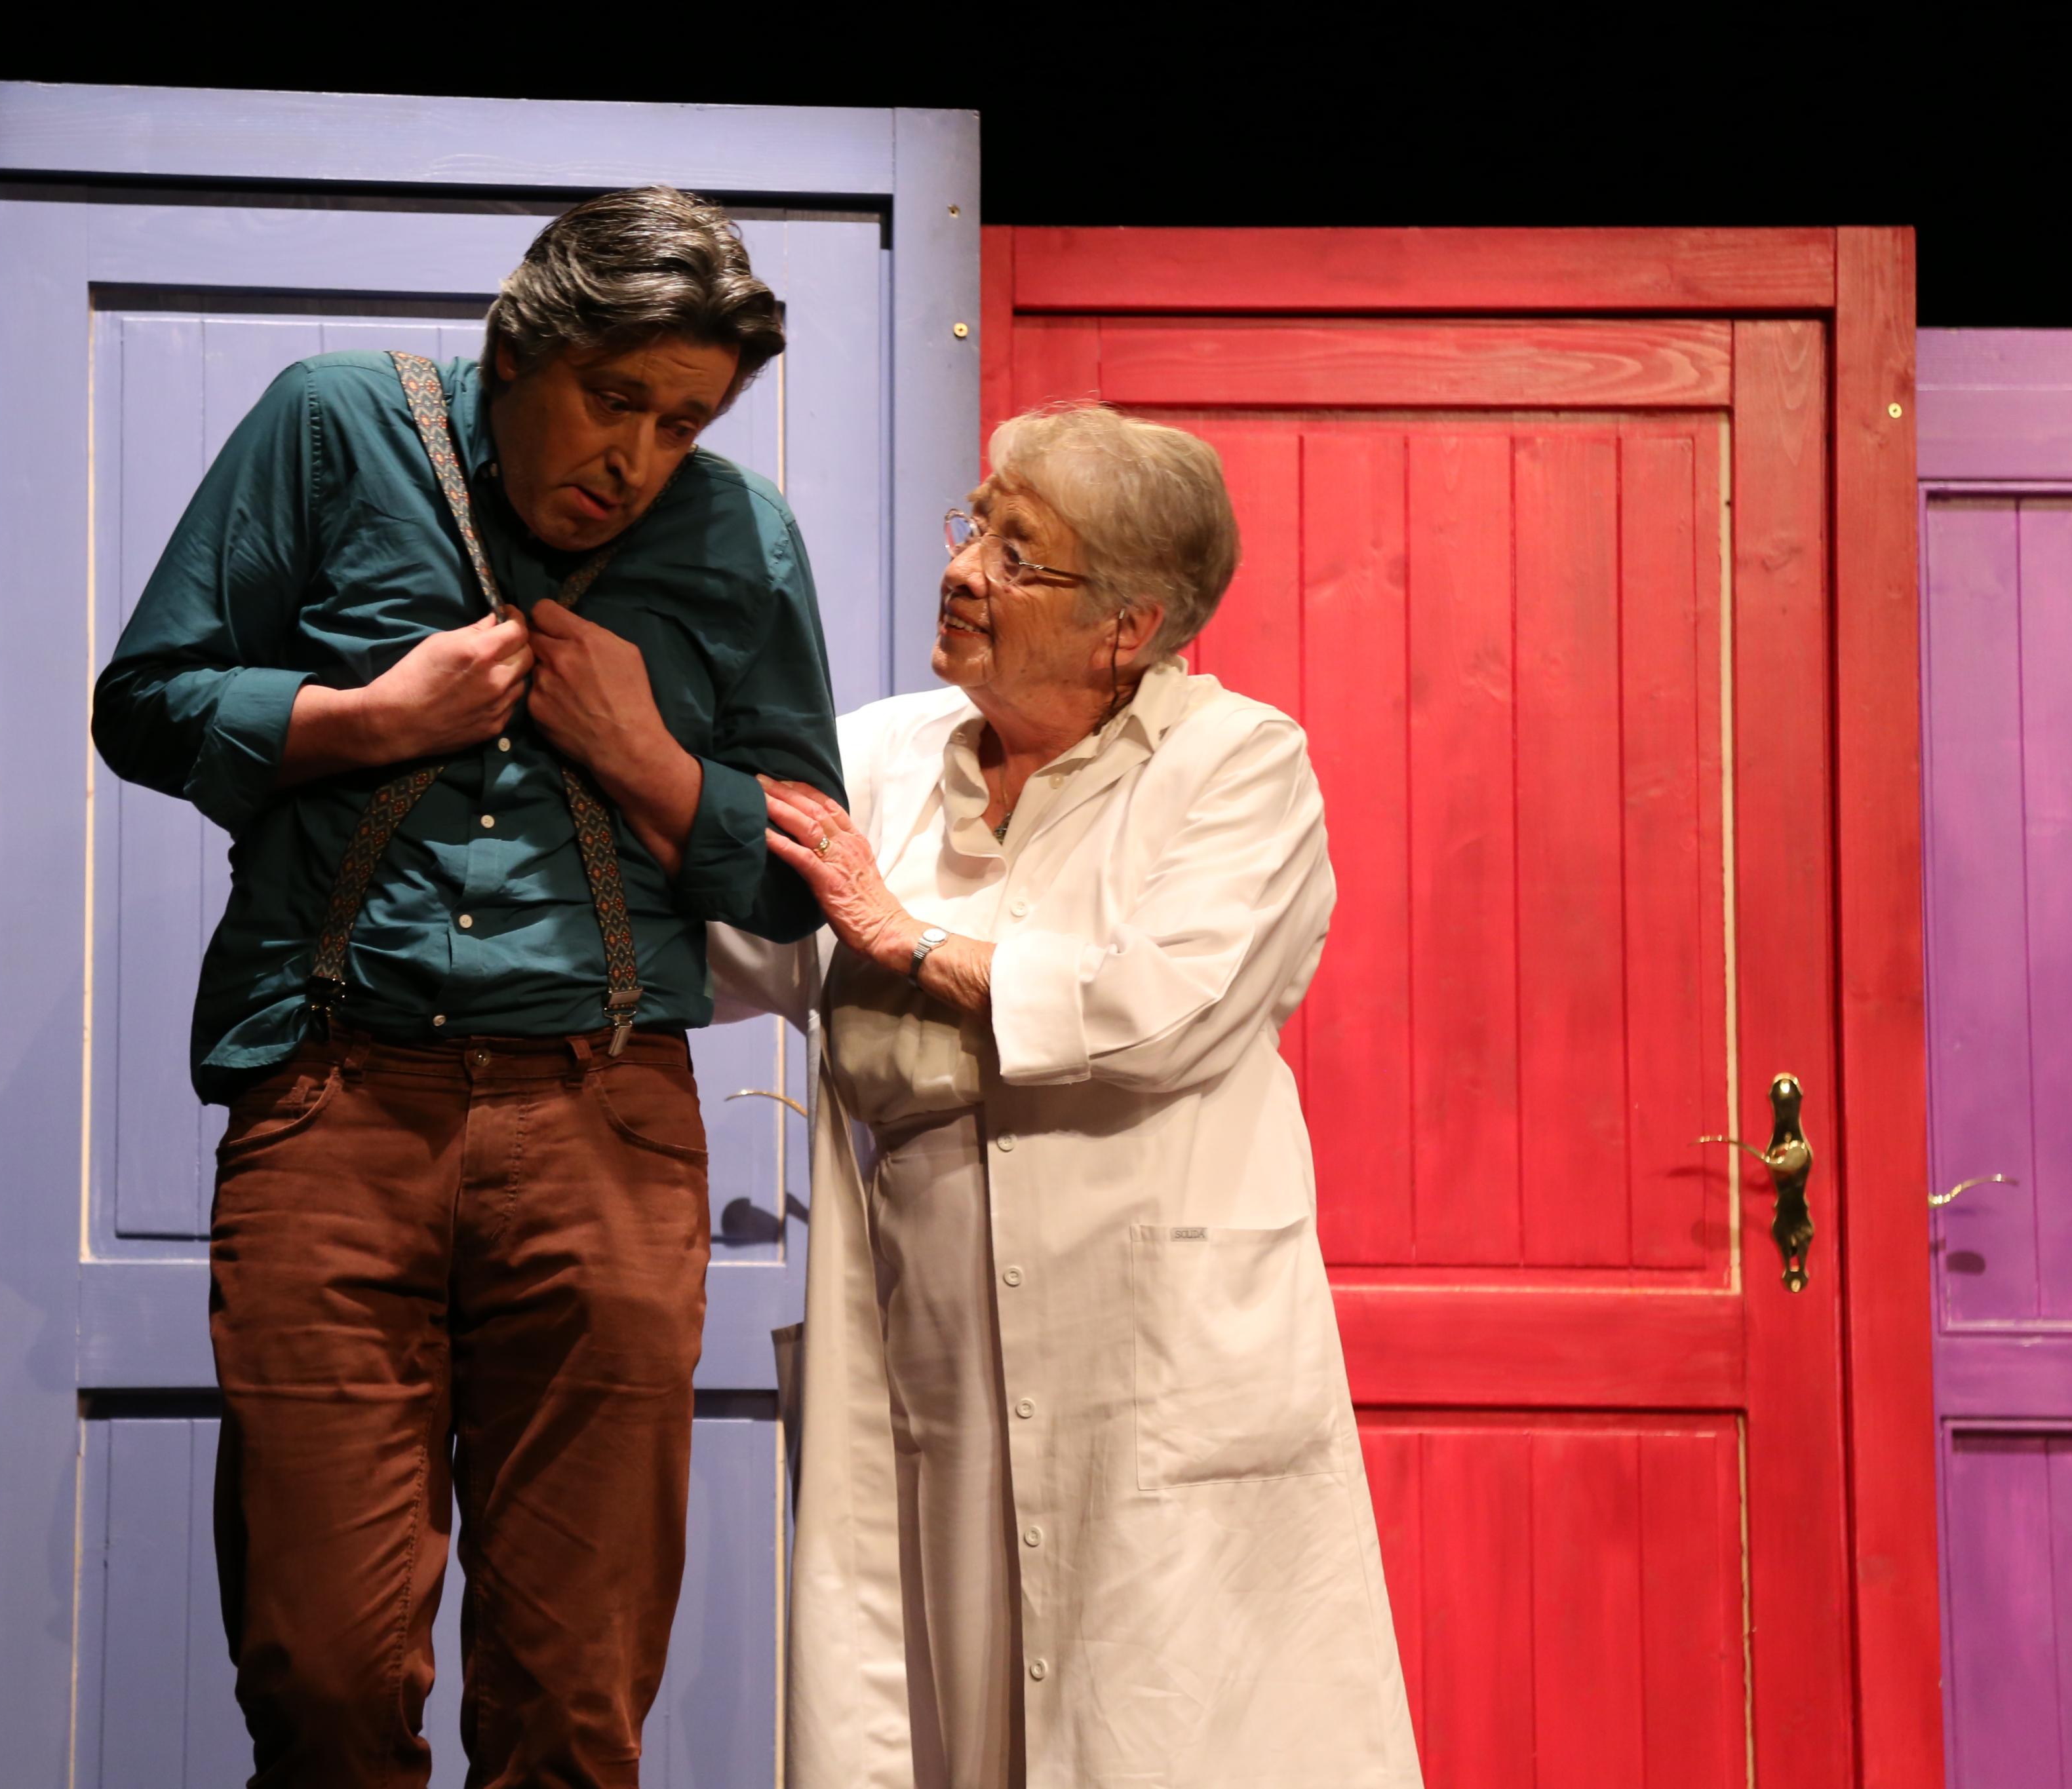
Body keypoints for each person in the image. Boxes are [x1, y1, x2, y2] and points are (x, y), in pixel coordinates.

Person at [91, 186, 844, 1789]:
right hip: (335, 1104)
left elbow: (798, 876)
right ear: (517, 350)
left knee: (573, 1700)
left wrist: (646, 758)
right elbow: (144, 702)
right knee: (323, 1677)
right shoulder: (333, 424)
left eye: (683, 422)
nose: (636, 457)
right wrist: (368, 720)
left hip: (604, 1120)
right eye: (612, 398)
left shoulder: (742, 540)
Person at [716, 404, 1422, 1788]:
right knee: (940, 1711)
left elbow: (1158, 1006)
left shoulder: (1237, 765)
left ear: (1127, 627)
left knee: (1170, 1722)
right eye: (974, 524)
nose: (962, 568)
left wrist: (904, 938)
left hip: (1149, 1359)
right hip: (930, 1357)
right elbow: (731, 941)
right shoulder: (880, 758)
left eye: (1015, 552)